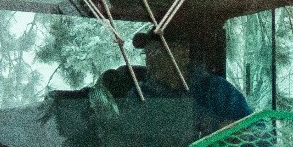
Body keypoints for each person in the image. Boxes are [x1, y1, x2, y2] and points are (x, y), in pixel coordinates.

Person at [102, 29, 250, 136]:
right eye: (147, 53)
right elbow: (126, 137)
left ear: (183, 53)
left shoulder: (216, 90)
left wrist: (234, 132)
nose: (150, 61)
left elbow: (259, 134)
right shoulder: (139, 95)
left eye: (158, 52)